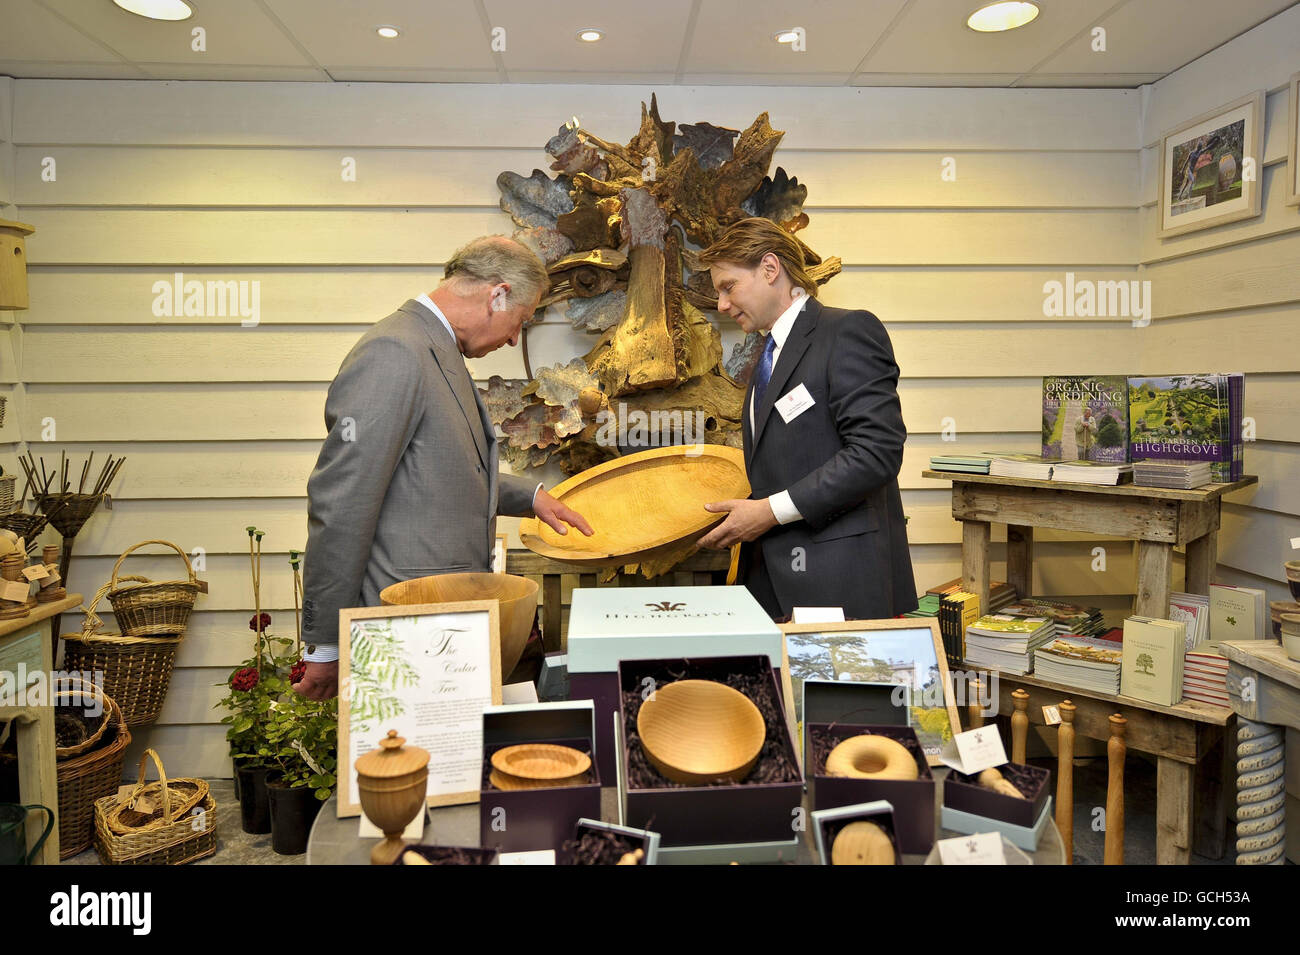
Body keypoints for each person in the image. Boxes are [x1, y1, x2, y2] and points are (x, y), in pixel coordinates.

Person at [294, 236, 593, 699]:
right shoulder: (395, 351)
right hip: (403, 634)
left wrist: (530, 496)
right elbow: (343, 502)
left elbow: (436, 471)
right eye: (523, 320)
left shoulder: (436, 348)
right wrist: (326, 645)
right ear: (497, 295)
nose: (516, 337)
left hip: (439, 633)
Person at [696, 217, 917, 620]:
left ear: (769, 268)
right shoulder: (767, 354)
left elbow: (876, 452)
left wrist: (767, 513)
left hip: (840, 584)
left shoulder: (847, 331)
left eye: (728, 287)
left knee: (839, 689)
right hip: (772, 587)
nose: (722, 305)